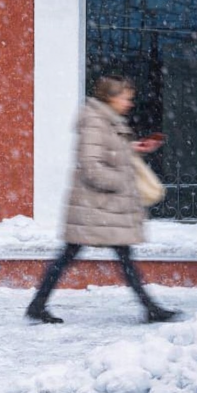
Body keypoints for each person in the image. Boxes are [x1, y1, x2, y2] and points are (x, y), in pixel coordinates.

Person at [25, 75, 177, 325]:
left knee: (96, 255)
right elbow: (91, 166)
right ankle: (150, 308)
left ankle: (38, 304)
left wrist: (133, 148)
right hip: (95, 206)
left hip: (102, 208)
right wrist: (121, 181)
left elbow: (108, 153)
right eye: (125, 97)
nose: (129, 103)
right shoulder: (96, 122)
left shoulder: (106, 121)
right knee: (82, 255)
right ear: (111, 97)